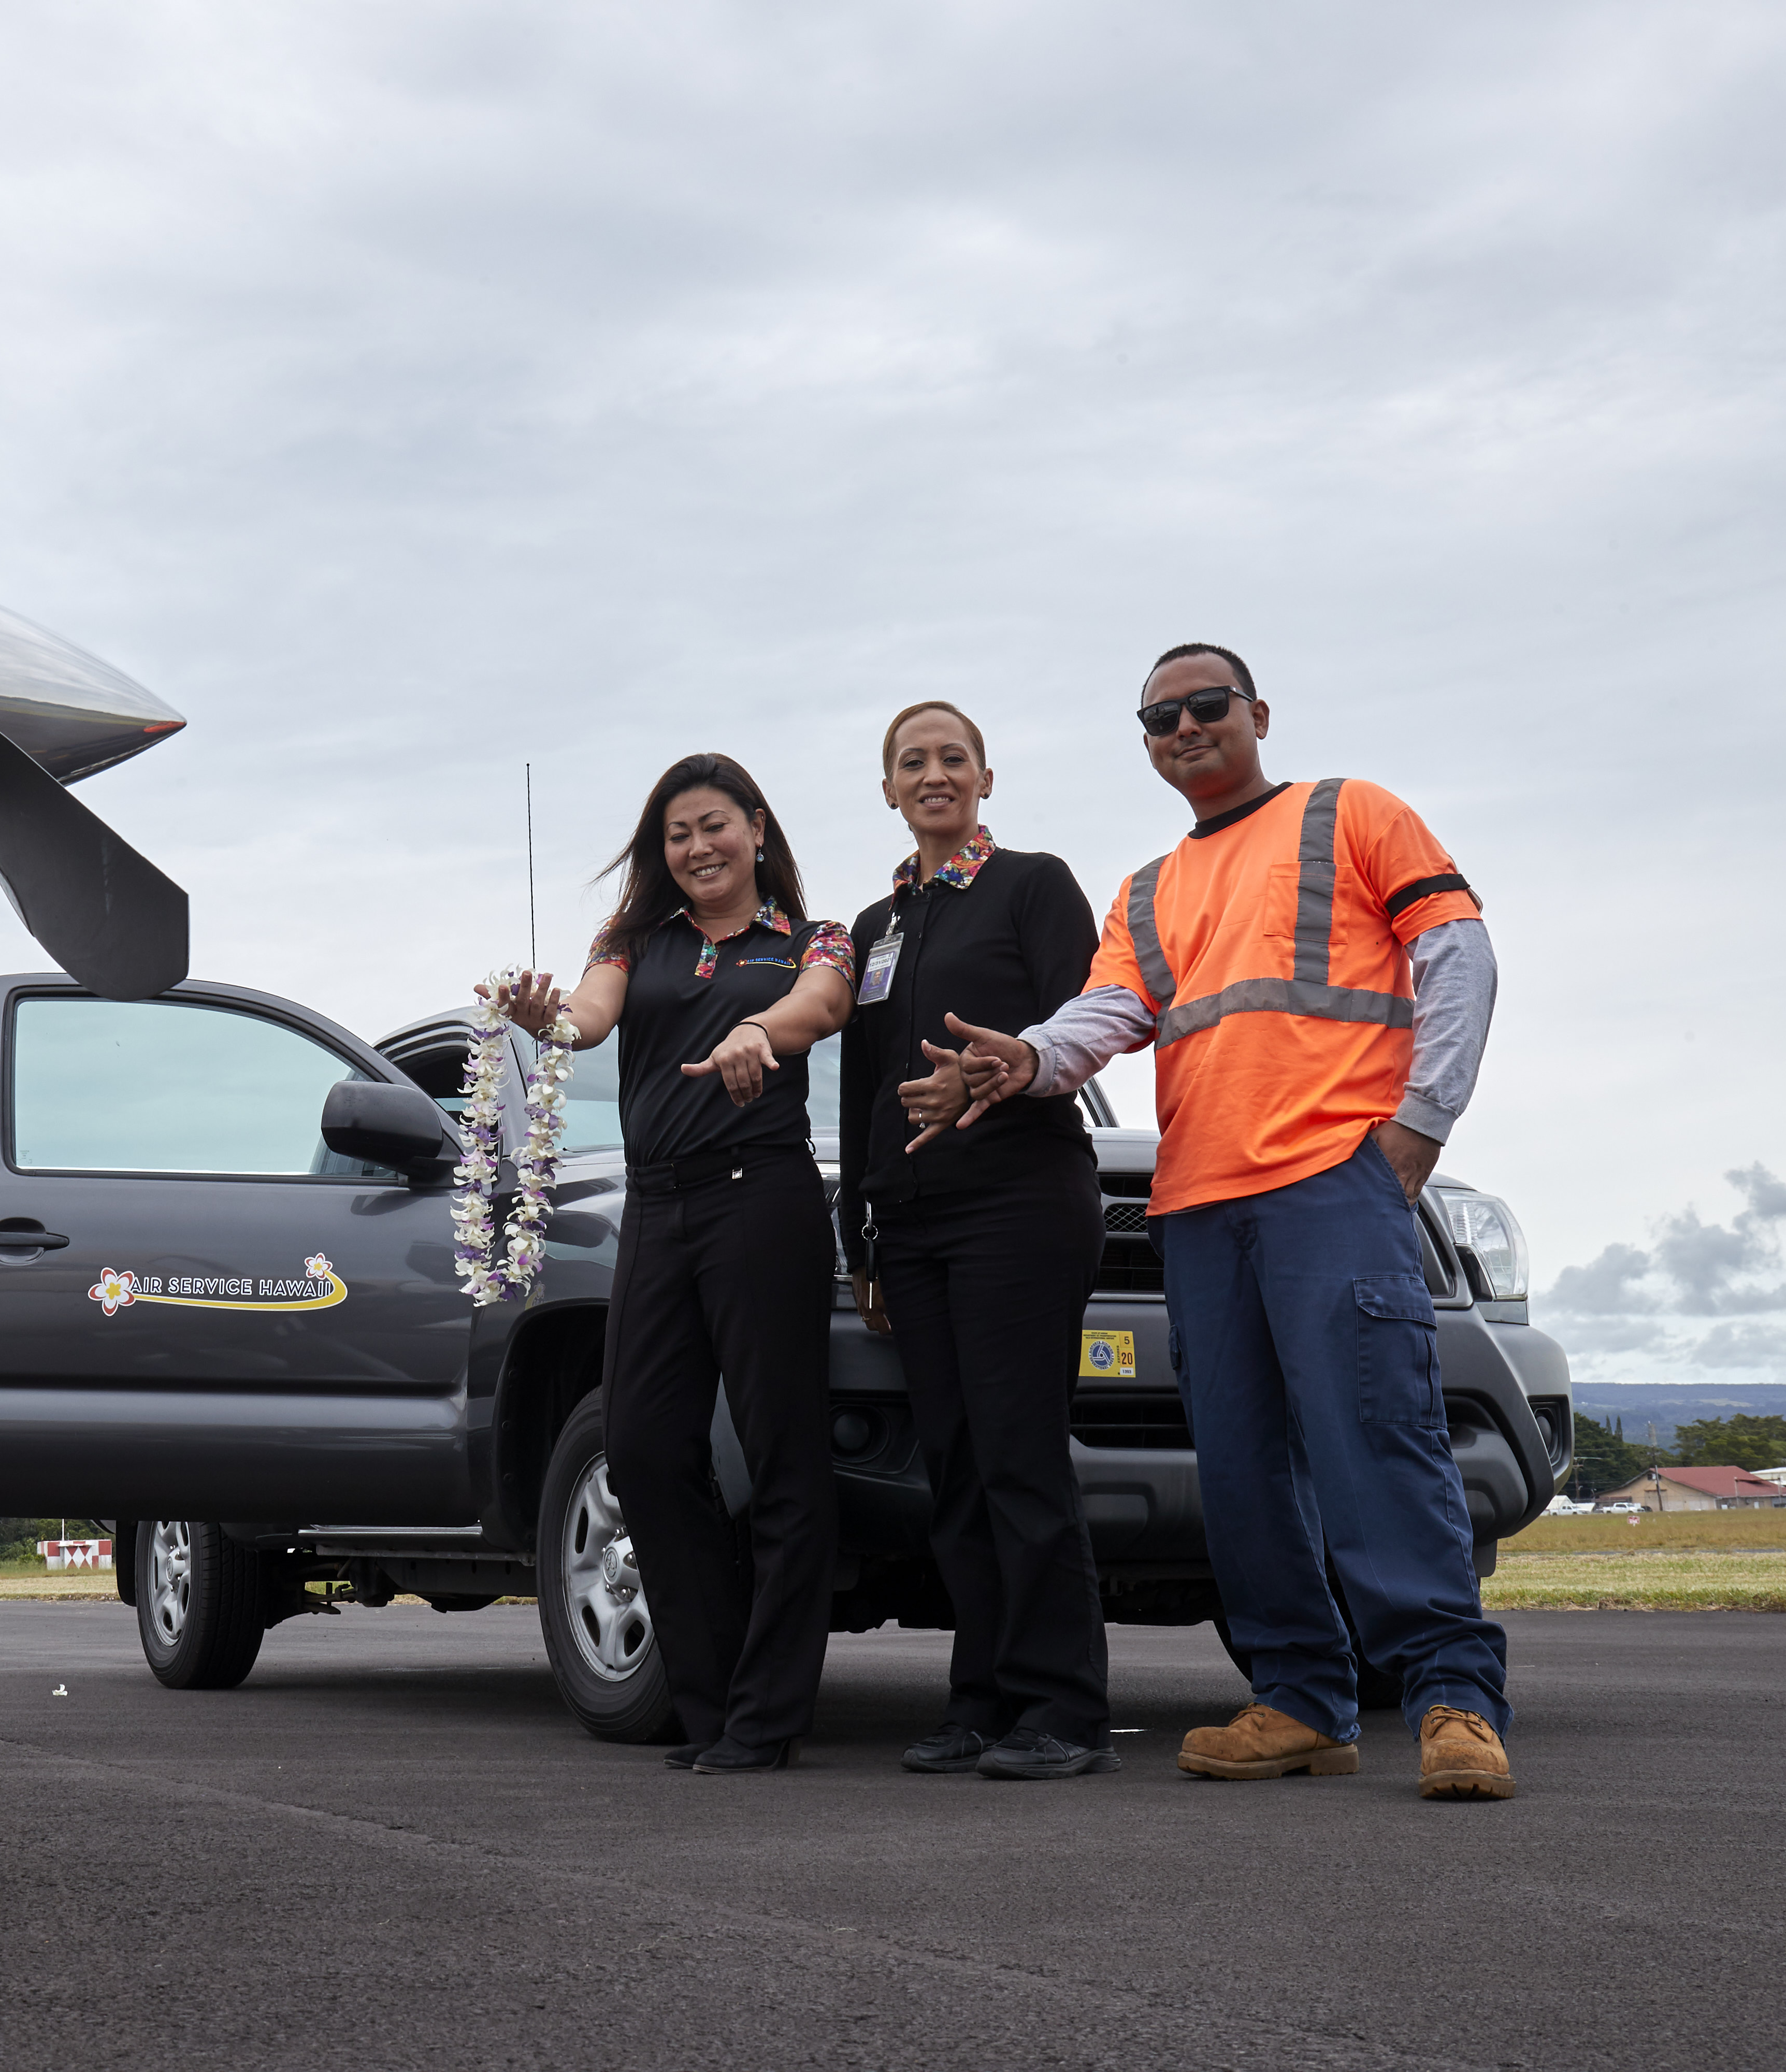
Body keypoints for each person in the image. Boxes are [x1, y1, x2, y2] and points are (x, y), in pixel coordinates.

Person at [938, 642, 1514, 1802]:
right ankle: (1300, 1697)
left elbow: (1458, 954)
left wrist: (1421, 1125)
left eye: (1206, 706)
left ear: (1256, 711)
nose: (1184, 728)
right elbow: (1108, 1012)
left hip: (1331, 1182)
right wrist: (1028, 1056)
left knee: (1373, 1435)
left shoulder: (1350, 812)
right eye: (1159, 717)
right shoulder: (1150, 888)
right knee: (1243, 1469)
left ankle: (1454, 1695)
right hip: (1200, 1204)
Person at [499, 754, 854, 1774]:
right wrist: (544, 1017)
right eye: (676, 834)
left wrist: (760, 1028)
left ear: (754, 827)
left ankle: (768, 1714)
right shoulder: (633, 940)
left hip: (763, 1199)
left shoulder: (811, 936)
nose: (697, 847)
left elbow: (825, 1006)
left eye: (713, 826)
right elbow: (587, 1017)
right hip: (656, 1206)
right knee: (646, 1445)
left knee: (784, 1453)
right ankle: (712, 1700)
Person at [837, 700, 1115, 1782]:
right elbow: (864, 1085)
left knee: (1018, 1454)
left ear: (986, 779)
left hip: (1020, 1206)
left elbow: (1086, 1022)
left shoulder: (1033, 885)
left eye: (954, 757)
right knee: (952, 1466)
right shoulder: (877, 924)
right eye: (914, 762)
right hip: (912, 1225)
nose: (935, 774)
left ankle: (1064, 1706)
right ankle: (983, 1695)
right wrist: (861, 1231)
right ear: (891, 791)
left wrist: (1004, 1071)